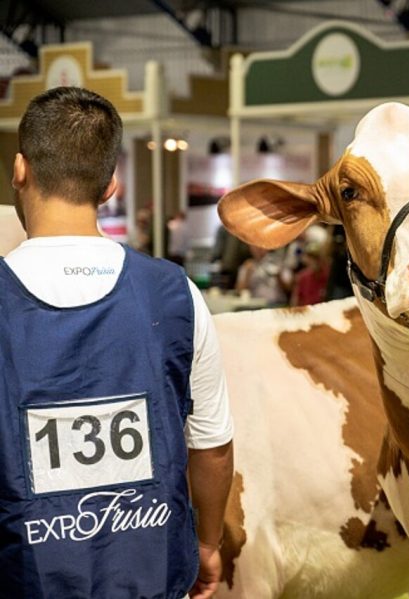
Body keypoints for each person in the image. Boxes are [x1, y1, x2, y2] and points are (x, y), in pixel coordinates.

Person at [1, 87, 234, 599]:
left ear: (20, 169)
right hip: (153, 571)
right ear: (110, 186)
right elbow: (211, 446)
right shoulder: (176, 294)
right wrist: (209, 544)